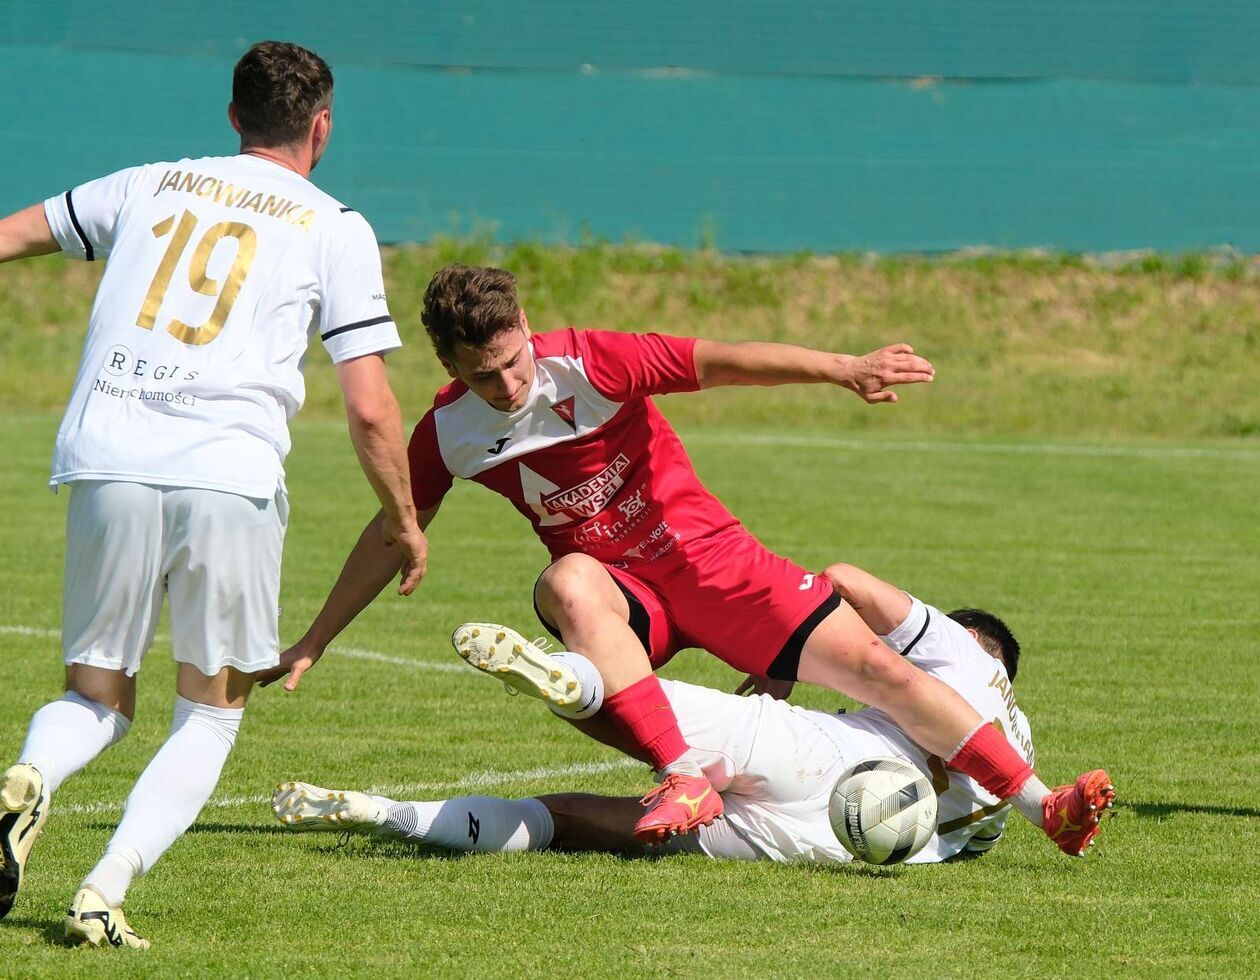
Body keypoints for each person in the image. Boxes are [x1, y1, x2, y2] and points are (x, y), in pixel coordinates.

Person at [261, 263, 1108, 853]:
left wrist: (845, 367)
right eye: (486, 378)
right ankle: (682, 777)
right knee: (566, 580)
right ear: (449, 367)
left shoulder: (595, 360)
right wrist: (316, 638)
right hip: (632, 596)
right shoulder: (448, 432)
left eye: (515, 362)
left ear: (526, 328)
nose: (510, 387)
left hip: (716, 567)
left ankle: (1047, 808)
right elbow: (389, 531)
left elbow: (724, 362)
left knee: (885, 673)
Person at [0, 41, 426, 949]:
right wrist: (402, 518)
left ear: (232, 117)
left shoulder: (149, 183)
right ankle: (102, 891)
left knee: (96, 698)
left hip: (108, 455)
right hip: (227, 475)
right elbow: (369, 405)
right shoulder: (333, 224)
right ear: (321, 127)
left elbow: (11, 236)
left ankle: (30, 774)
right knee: (209, 710)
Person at [271, 567, 1114, 863]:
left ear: (976, 644)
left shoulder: (960, 654)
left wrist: (785, 667)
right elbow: (963, 812)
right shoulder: (1026, 739)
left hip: (826, 756)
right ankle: (391, 816)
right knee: (568, 822)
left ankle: (575, 683)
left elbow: (846, 577)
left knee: (636, 701)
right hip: (836, 842)